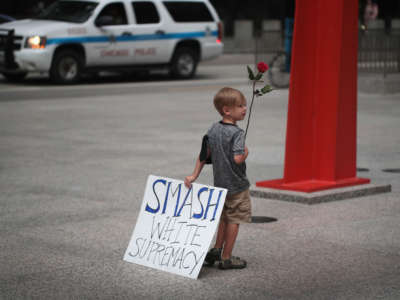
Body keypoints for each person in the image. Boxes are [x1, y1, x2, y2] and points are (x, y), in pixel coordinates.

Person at [184, 87, 251, 270]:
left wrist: (193, 175)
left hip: (220, 185)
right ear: (227, 110)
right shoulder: (237, 133)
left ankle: (216, 249)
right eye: (240, 106)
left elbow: (204, 154)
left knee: (223, 217)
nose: (244, 109)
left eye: (245, 105)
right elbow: (237, 158)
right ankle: (227, 258)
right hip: (237, 186)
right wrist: (245, 153)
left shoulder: (213, 129)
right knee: (234, 219)